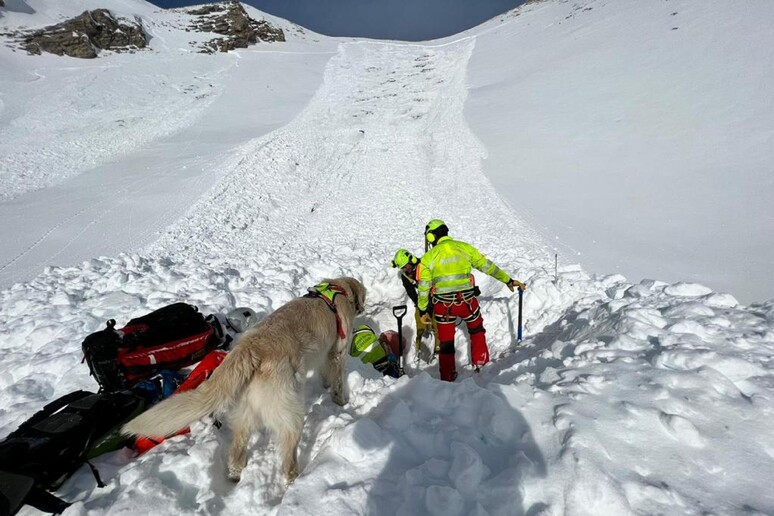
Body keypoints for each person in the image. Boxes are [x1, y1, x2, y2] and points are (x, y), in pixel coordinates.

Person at [417, 219, 527, 381]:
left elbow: (424, 287)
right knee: (476, 331)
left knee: (446, 342)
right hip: (467, 303)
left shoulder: (427, 258)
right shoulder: (464, 248)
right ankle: (481, 364)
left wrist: (422, 310)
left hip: (443, 306)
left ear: (432, 237)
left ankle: (448, 376)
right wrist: (508, 280)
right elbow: (488, 267)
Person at [391, 248, 437, 357]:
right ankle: (420, 348)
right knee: (420, 322)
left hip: (435, 298)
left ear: (411, 259)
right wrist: (421, 306)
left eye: (406, 266)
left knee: (437, 323)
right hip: (421, 300)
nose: (406, 269)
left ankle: (438, 348)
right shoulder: (405, 276)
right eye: (403, 268)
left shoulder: (424, 265)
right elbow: (411, 291)